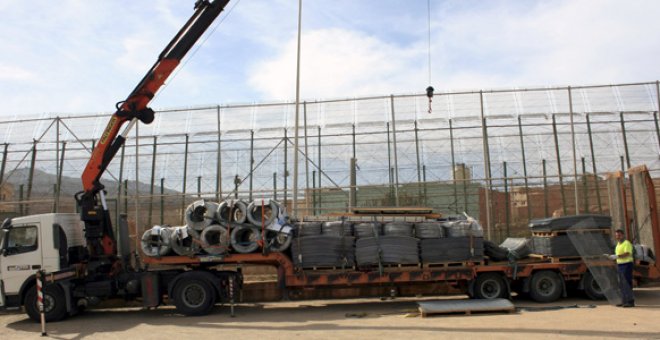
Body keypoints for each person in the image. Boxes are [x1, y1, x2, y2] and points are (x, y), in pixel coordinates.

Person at [610, 229, 634, 307]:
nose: (618, 237)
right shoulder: (618, 245)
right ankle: (624, 301)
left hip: (626, 265)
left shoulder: (626, 243)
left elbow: (627, 253)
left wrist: (617, 256)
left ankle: (630, 302)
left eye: (619, 235)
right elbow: (619, 255)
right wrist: (614, 258)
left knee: (626, 283)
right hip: (620, 265)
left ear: (623, 235)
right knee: (621, 284)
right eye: (616, 235)